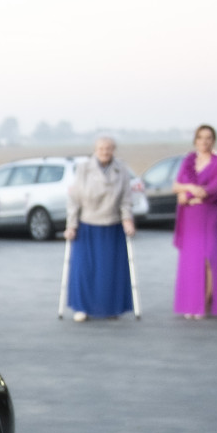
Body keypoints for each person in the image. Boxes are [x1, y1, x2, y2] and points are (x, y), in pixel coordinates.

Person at [63, 135, 137, 320]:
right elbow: (74, 199)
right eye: (101, 148)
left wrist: (127, 219)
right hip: (87, 225)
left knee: (110, 270)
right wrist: (71, 225)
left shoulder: (122, 169)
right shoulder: (83, 168)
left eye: (108, 148)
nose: (105, 152)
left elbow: (126, 198)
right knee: (84, 270)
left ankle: (111, 308)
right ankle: (82, 308)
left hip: (112, 225)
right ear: (95, 150)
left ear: (113, 150)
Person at [171, 124, 217, 318]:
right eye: (201, 137)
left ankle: (205, 303)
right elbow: (176, 186)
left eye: (208, 138)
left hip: (209, 214)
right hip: (190, 217)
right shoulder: (188, 160)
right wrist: (190, 189)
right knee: (192, 259)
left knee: (208, 257)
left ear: (213, 141)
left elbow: (213, 189)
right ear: (195, 140)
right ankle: (191, 303)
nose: (204, 141)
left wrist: (188, 195)